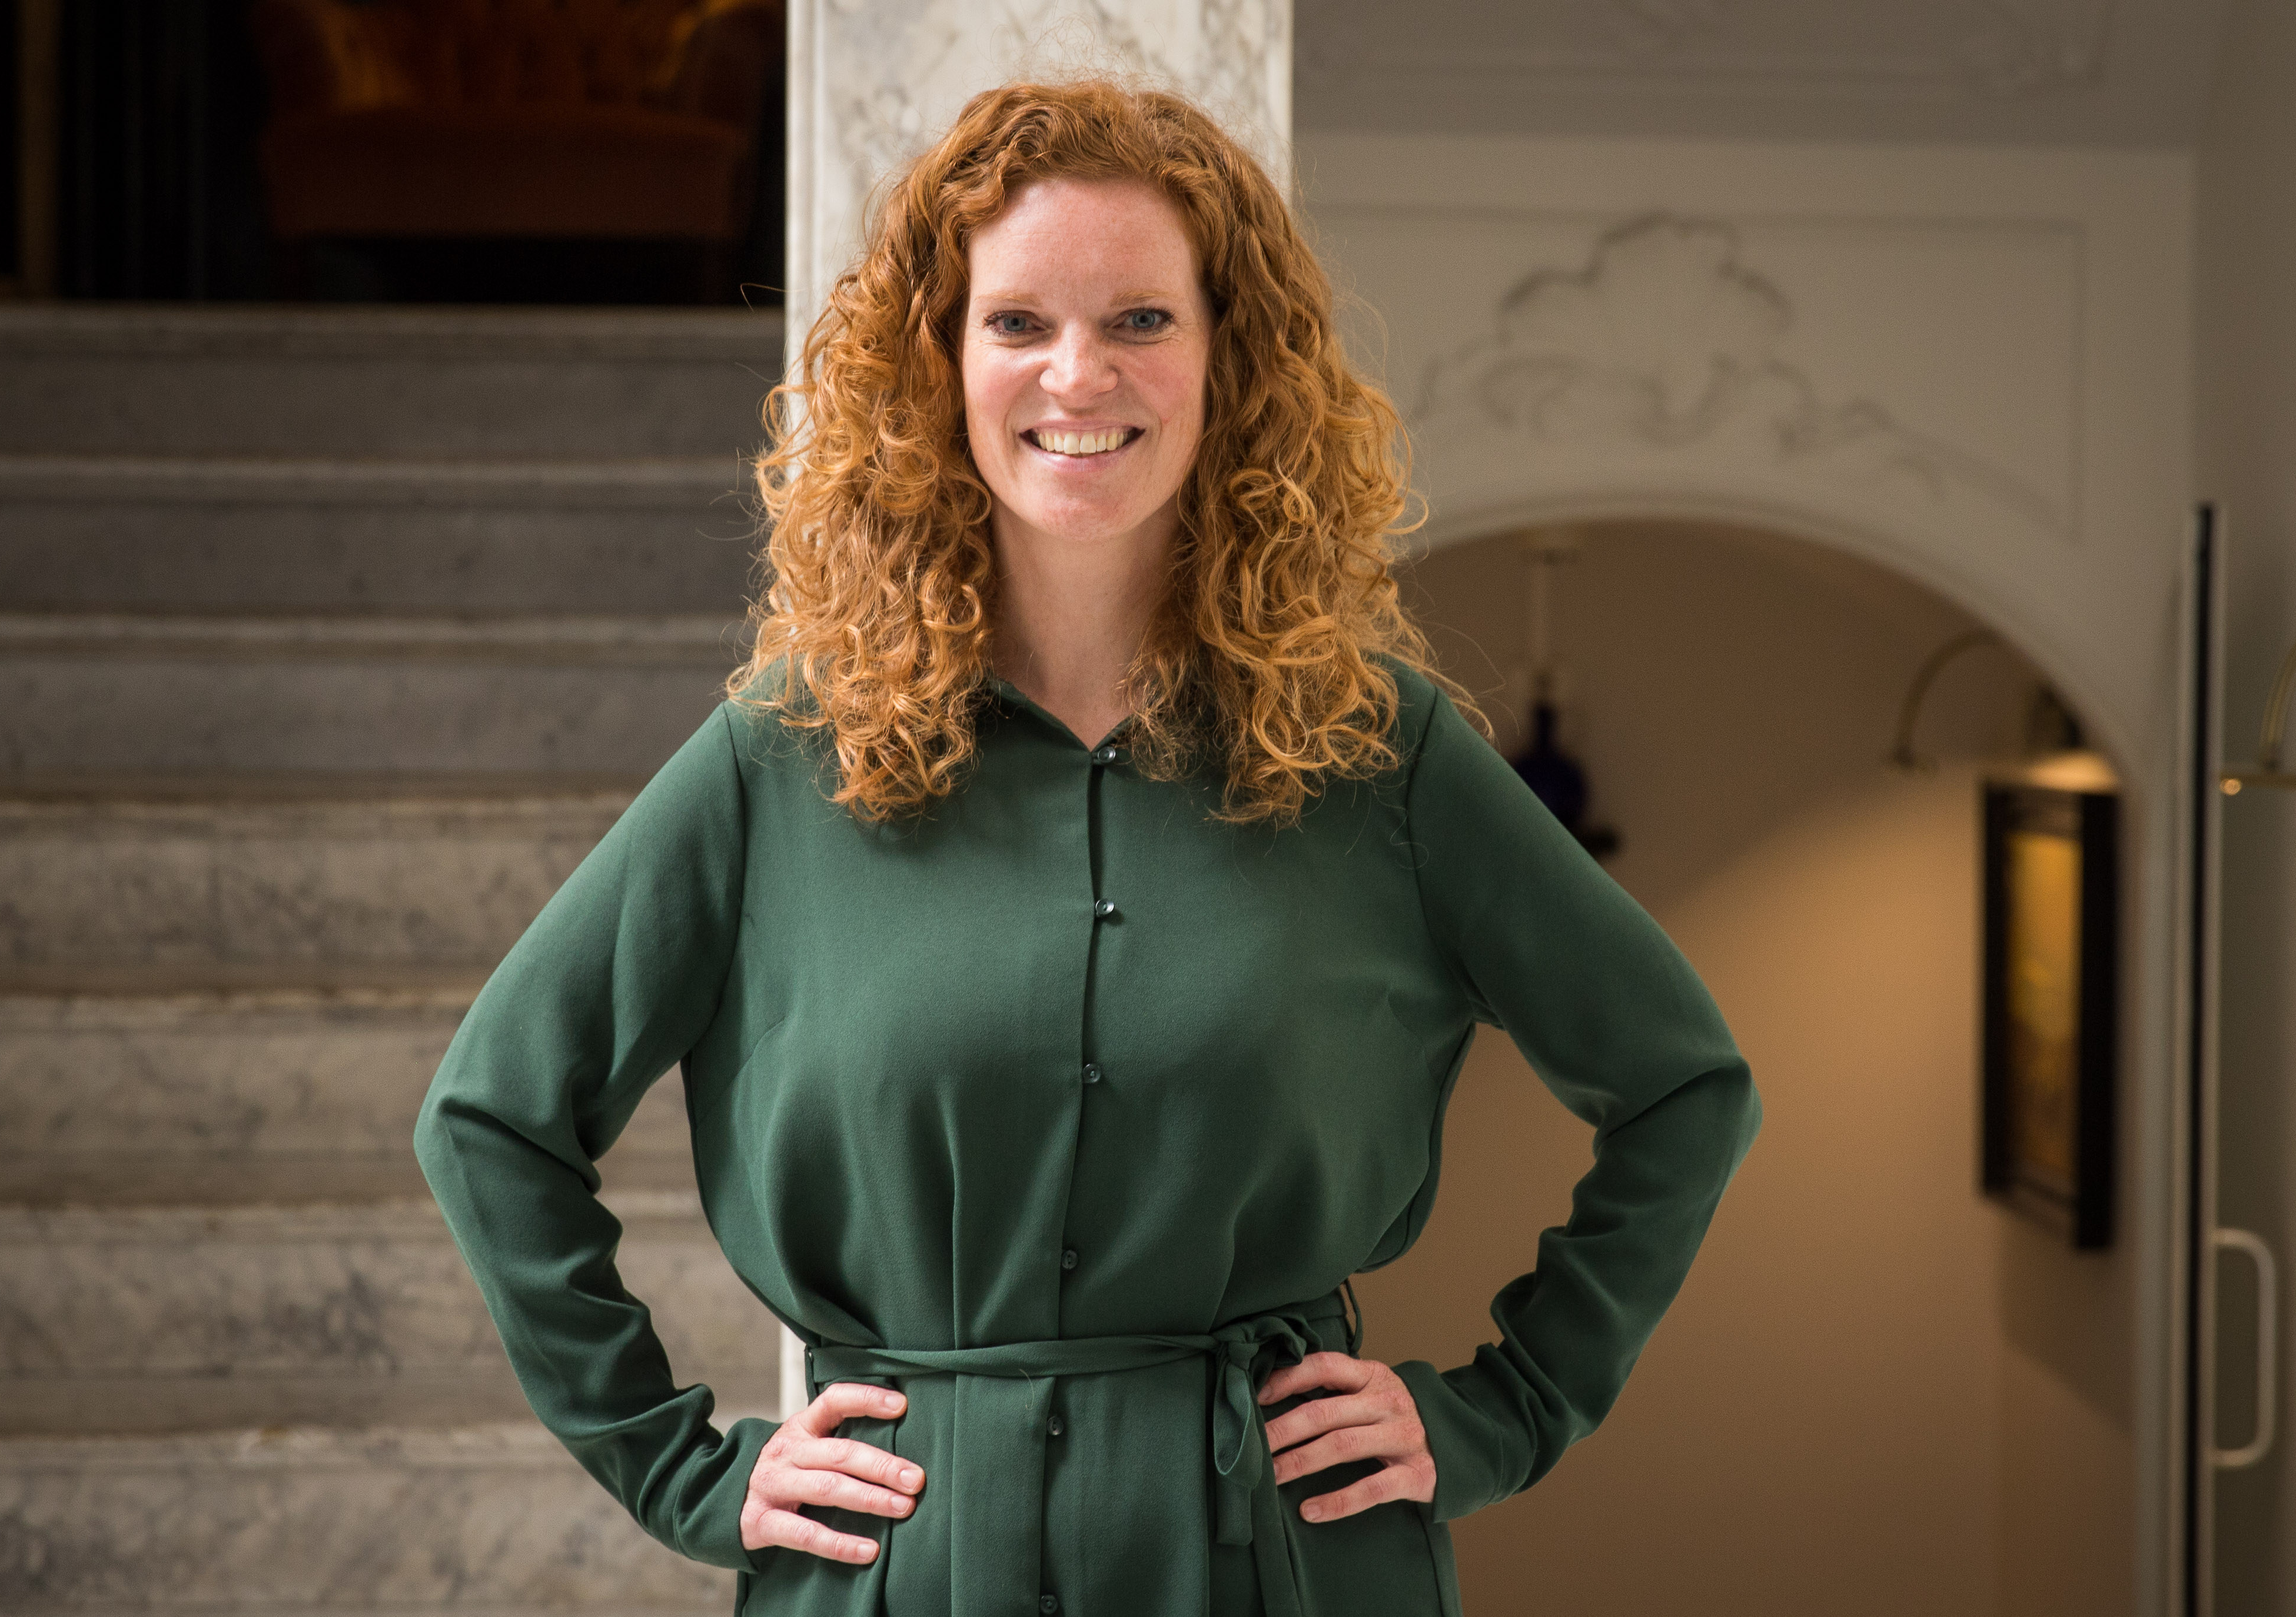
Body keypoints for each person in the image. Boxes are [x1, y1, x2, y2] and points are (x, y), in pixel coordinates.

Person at [415, 79, 1760, 1617]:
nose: (1077, 373)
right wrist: (682, 1468)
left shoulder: (1376, 753)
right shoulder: (782, 757)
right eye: (1015, 323)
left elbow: (1681, 1087)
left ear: (1224, 358)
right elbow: (492, 1117)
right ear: (937, 360)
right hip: (902, 1564)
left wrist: (1505, 1406)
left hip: (1285, 1559)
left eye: (1139, 319)